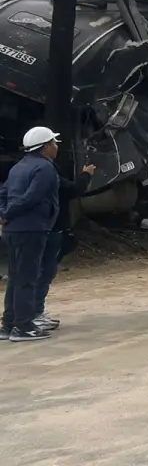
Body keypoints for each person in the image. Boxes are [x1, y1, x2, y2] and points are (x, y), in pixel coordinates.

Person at [0, 126, 62, 341]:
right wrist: (9, 211)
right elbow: (32, 197)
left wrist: (4, 214)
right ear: (45, 147)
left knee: (16, 278)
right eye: (54, 143)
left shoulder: (18, 167)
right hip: (32, 228)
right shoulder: (44, 168)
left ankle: (8, 324)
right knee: (27, 278)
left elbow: (3, 193)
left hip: (12, 229)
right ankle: (24, 326)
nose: (56, 146)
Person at [35, 160, 96, 331]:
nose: (56, 147)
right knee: (44, 272)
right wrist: (86, 174)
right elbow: (74, 189)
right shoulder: (47, 171)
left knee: (34, 273)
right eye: (53, 143)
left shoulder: (23, 169)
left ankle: (26, 314)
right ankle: (34, 313)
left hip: (40, 228)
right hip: (51, 228)